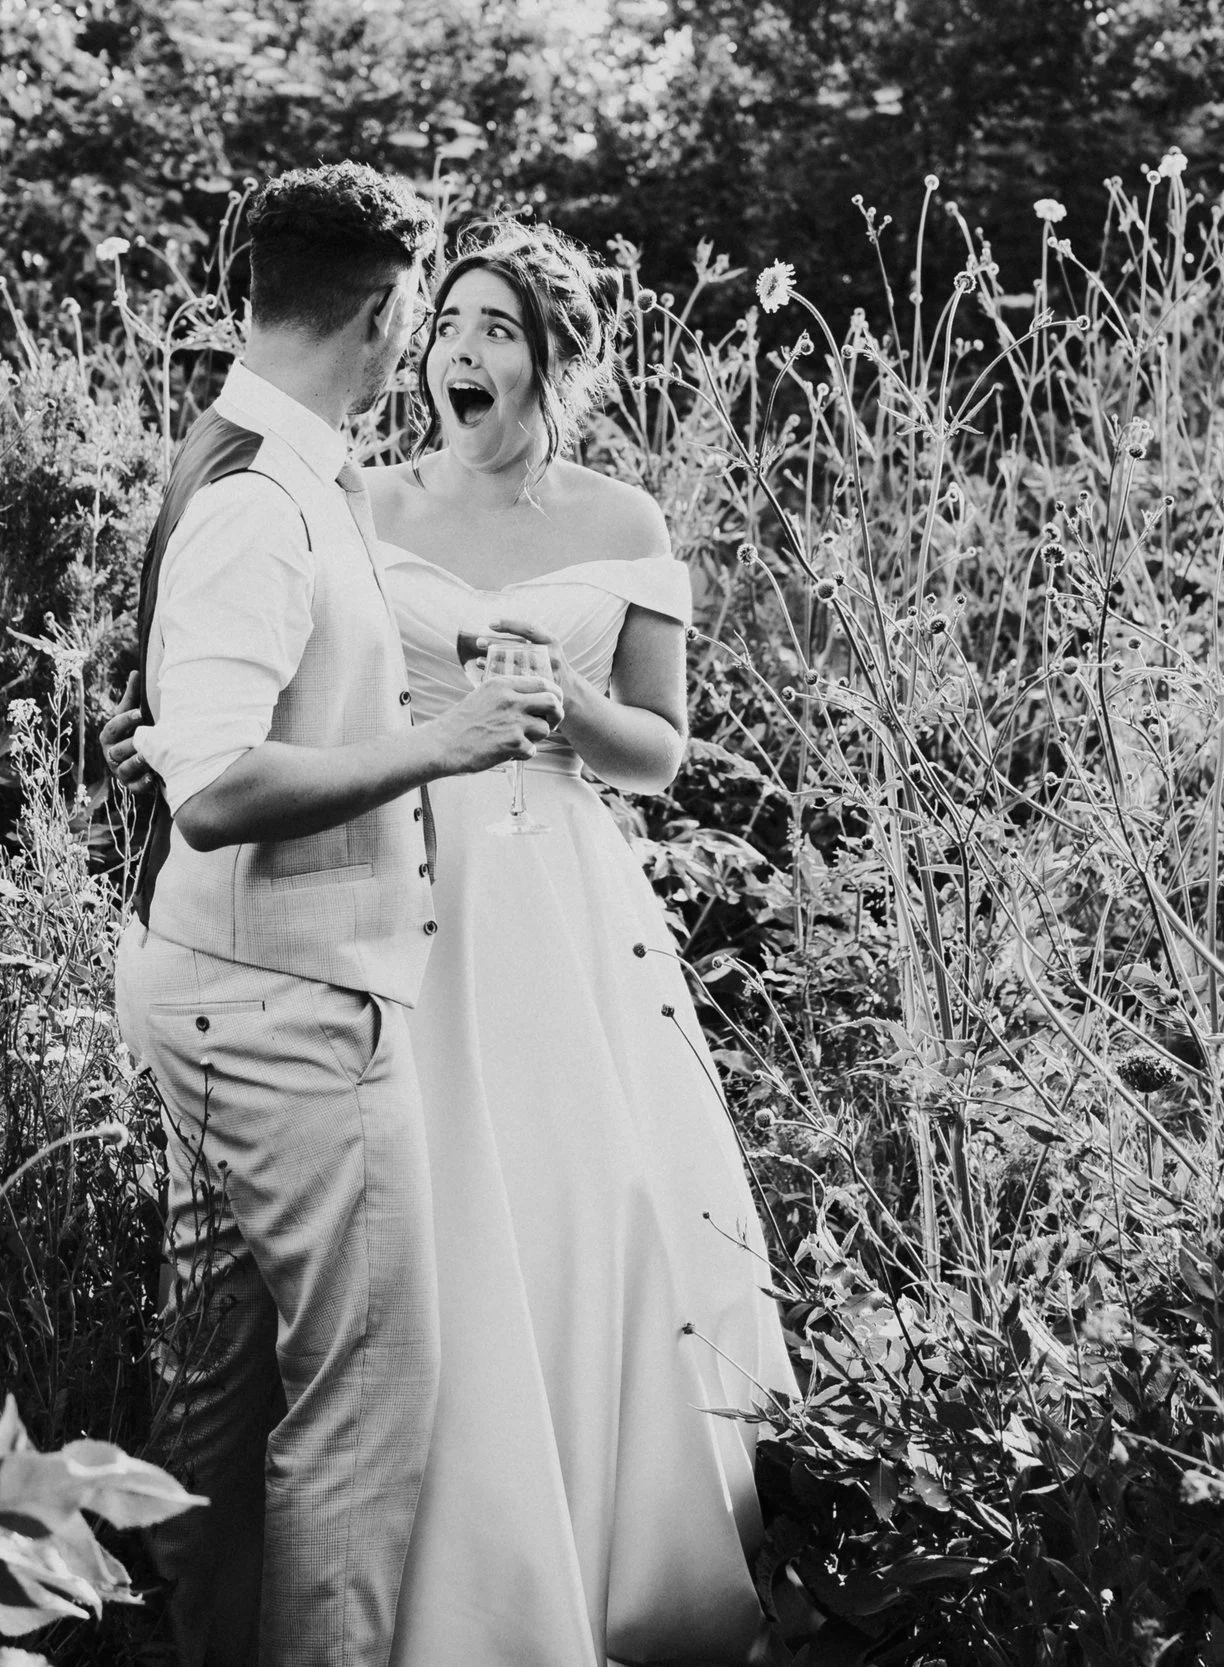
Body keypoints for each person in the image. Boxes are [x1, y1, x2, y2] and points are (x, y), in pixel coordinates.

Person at [110, 216, 797, 1666]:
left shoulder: (624, 523)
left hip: (554, 891)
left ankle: (586, 1551)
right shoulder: (349, 494)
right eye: (448, 325)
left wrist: (561, 711)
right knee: (403, 1280)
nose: (458, 355)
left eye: (496, 330)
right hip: (388, 906)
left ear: (556, 359)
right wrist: (186, 734)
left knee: (567, 1200)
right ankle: (422, 1592)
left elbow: (662, 749)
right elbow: (278, 684)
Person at [111, 166, 565, 1667]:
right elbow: (221, 786)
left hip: (225, 985)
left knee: (225, 1398)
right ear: (379, 316)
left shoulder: (266, 460)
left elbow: (210, 713)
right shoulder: (259, 495)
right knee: (365, 1406)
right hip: (287, 1013)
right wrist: (439, 744)